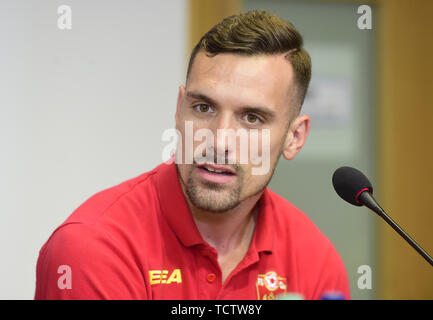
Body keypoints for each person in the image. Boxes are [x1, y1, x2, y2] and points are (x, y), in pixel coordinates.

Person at [34, 10, 350, 300]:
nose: (219, 140)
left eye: (251, 118)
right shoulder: (93, 247)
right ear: (178, 109)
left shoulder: (315, 257)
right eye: (203, 108)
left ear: (294, 138)